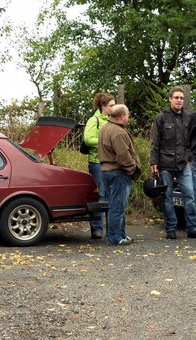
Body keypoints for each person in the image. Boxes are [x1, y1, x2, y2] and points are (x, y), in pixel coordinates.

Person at [150, 86, 196, 239]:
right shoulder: (161, 118)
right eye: (176, 97)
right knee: (167, 197)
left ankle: (192, 228)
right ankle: (171, 229)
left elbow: (192, 141)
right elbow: (155, 143)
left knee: (189, 195)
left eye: (181, 98)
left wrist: (189, 158)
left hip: (184, 164)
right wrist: (153, 162)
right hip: (165, 164)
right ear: (170, 99)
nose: (179, 100)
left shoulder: (189, 117)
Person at [98, 104, 141, 245]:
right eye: (128, 114)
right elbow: (123, 155)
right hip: (118, 172)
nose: (129, 116)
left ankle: (121, 235)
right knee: (117, 207)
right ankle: (116, 238)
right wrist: (132, 168)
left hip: (106, 170)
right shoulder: (119, 132)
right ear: (122, 117)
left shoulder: (104, 128)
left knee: (114, 205)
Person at [84, 92, 116, 239]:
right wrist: (105, 142)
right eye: (111, 105)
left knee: (111, 196)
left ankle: (111, 229)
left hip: (112, 163)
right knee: (100, 195)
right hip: (97, 163)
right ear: (104, 106)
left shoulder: (113, 120)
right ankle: (97, 229)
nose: (114, 108)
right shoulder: (94, 120)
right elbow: (88, 139)